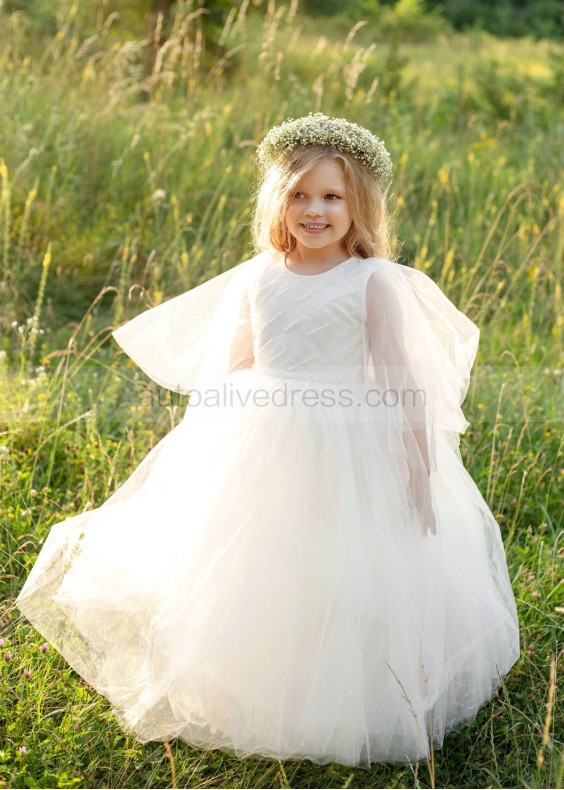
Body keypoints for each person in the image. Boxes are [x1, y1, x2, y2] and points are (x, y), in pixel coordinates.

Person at [15, 113, 520, 768]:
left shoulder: (374, 283)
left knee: (346, 565)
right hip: (263, 436)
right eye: (300, 194)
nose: (314, 210)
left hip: (348, 447)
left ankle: (350, 692)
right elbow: (235, 366)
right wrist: (208, 444)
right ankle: (253, 675)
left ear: (358, 203)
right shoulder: (260, 276)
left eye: (332, 197)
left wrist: (416, 472)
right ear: (278, 199)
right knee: (256, 562)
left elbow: (402, 387)